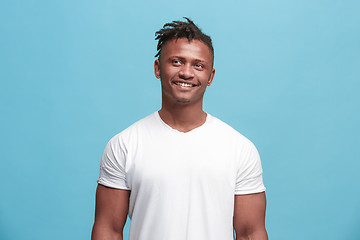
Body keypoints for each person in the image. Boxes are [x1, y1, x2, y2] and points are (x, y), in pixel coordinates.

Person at [91, 17, 268, 240]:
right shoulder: (124, 145)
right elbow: (108, 229)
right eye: (176, 61)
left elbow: (251, 233)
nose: (186, 72)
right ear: (157, 68)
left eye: (198, 65)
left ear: (210, 76)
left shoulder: (240, 149)